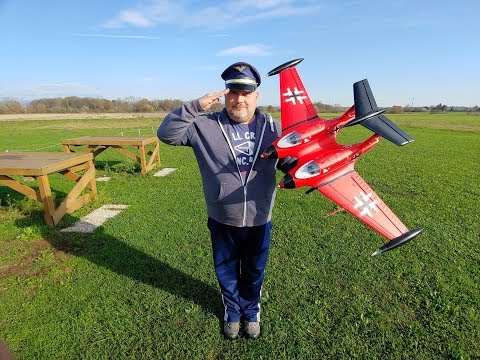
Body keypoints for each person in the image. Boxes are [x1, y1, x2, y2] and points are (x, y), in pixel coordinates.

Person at [157, 62, 281, 340]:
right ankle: (232, 312)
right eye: (233, 93)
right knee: (225, 269)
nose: (240, 99)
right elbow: (166, 135)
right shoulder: (203, 125)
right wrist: (195, 106)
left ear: (256, 96)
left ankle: (251, 311)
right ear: (225, 96)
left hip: (261, 217)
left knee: (254, 270)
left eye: (246, 93)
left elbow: (292, 161)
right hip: (222, 218)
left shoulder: (274, 128)